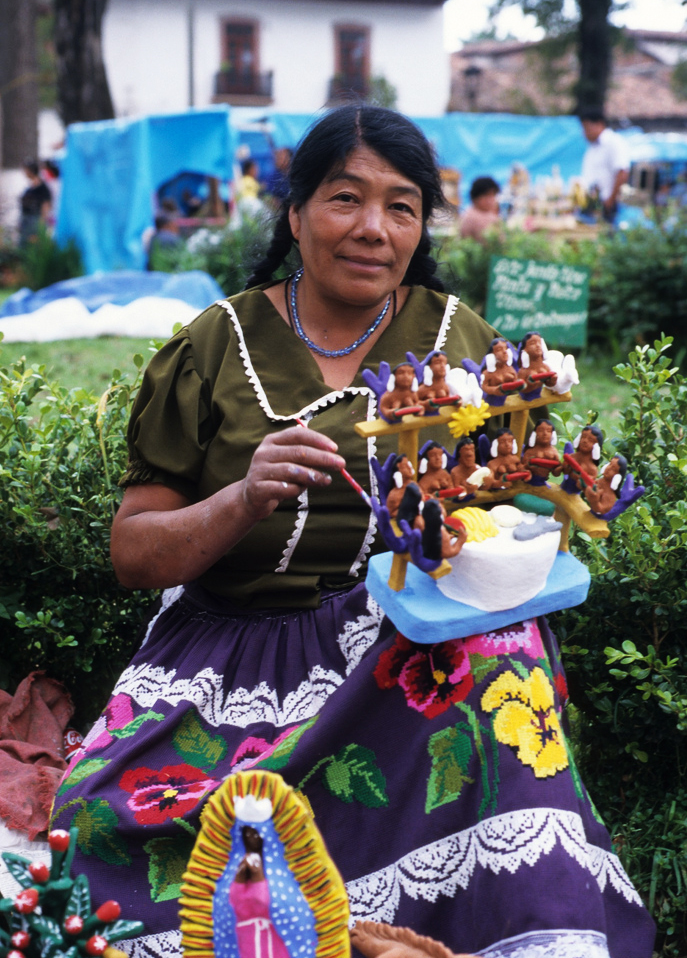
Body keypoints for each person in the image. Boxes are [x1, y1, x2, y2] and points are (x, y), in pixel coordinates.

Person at [51, 105, 654, 958]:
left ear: (420, 227)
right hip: (232, 658)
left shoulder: (461, 350)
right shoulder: (213, 346)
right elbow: (132, 553)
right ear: (294, 213)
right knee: (100, 837)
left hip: (403, 644)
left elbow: (509, 498)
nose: (373, 228)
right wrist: (241, 498)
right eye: (345, 199)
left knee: (503, 653)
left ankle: (519, 935)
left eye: (401, 206)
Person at [579, 111, 629, 226]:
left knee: (607, 236)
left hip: (608, 204)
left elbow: (622, 173)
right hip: (593, 204)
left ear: (599, 124)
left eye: (587, 128)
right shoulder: (592, 148)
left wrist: (610, 201)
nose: (584, 133)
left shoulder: (614, 142)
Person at [18, 160, 52, 246]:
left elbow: (46, 205)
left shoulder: (42, 187)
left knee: (32, 245)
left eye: (26, 170)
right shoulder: (31, 186)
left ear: (31, 171)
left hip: (35, 221)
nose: (24, 173)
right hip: (26, 220)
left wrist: (41, 224)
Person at [459, 176, 501, 243]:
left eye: (493, 195)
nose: (490, 200)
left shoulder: (490, 213)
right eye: (486, 196)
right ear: (475, 197)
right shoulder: (470, 217)